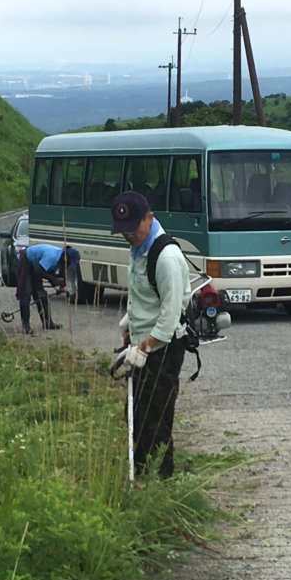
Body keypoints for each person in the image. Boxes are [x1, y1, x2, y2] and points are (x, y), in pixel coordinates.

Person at [111, 190, 191, 478]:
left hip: (164, 350)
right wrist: (129, 328)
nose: (129, 235)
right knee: (134, 414)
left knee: (157, 418)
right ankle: (141, 473)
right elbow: (144, 299)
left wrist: (143, 347)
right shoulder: (137, 249)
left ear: (149, 218)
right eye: (123, 231)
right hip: (141, 344)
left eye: (133, 228)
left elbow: (169, 316)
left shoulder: (166, 256)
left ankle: (162, 479)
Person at [14, 244, 80, 335]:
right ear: (66, 257)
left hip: (35, 266)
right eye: (69, 262)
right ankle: (26, 327)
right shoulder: (52, 256)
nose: (68, 264)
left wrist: (57, 286)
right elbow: (38, 270)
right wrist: (55, 281)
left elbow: (48, 273)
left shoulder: (60, 261)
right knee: (26, 294)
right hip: (24, 261)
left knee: (41, 295)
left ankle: (48, 323)